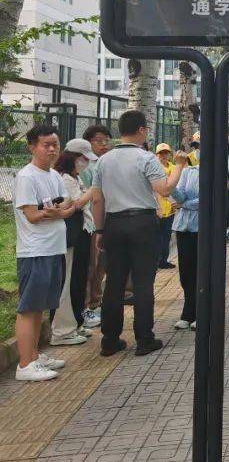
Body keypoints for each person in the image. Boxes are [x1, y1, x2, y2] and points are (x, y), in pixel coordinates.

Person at [90, 110, 185, 357]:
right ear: (142, 130)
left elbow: (97, 199)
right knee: (143, 282)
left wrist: (100, 229)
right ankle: (144, 339)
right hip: (142, 223)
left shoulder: (104, 160)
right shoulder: (146, 158)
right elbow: (164, 189)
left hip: (114, 223)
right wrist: (179, 166)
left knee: (114, 282)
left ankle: (110, 340)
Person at [11, 124, 75, 381]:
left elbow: (68, 204)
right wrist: (55, 213)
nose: (52, 149)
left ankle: (34, 355)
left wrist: (59, 211)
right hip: (35, 251)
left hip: (54, 247)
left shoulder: (54, 175)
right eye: (46, 145)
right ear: (32, 147)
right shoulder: (27, 177)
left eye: (55, 145)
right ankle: (25, 364)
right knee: (29, 307)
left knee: (41, 306)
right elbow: (32, 215)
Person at [50, 141, 102, 347]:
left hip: (82, 232)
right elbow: (77, 203)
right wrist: (95, 187)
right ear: (73, 157)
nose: (86, 163)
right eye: (84, 158)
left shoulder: (75, 177)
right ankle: (62, 329)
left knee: (79, 280)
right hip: (70, 236)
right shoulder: (64, 178)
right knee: (68, 281)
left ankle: (76, 322)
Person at [80, 124, 111, 328]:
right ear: (88, 142)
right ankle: (86, 308)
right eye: (98, 140)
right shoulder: (86, 166)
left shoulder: (103, 163)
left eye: (106, 140)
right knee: (90, 266)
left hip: (105, 222)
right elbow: (91, 198)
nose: (103, 144)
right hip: (92, 224)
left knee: (101, 266)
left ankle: (95, 303)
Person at [169, 155, 200, 330]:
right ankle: (188, 313)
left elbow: (207, 199)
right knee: (186, 273)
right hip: (183, 228)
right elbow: (179, 197)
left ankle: (201, 312)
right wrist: (171, 185)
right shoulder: (186, 172)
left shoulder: (213, 171)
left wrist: (185, 205)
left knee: (200, 271)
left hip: (201, 228)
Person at [154, 144, 176, 269]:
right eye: (161, 153)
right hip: (157, 208)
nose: (163, 155)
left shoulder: (173, 168)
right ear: (156, 155)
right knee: (156, 236)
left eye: (166, 153)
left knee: (166, 236)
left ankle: (163, 260)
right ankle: (156, 260)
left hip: (170, 208)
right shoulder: (154, 168)